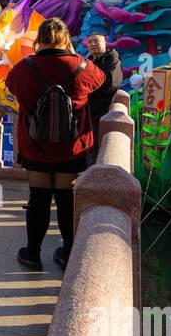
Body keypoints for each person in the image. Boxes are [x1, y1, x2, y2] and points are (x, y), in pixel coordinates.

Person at [6, 18, 105, 271]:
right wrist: (74, 55)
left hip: (35, 143)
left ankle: (33, 254)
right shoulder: (80, 65)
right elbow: (101, 79)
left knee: (38, 198)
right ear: (66, 39)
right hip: (70, 146)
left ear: (39, 40)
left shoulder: (25, 68)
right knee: (65, 198)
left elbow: (10, 86)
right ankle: (68, 251)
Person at [84, 33, 124, 165]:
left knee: (96, 148)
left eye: (96, 41)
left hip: (101, 110)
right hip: (87, 111)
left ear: (105, 43)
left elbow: (111, 83)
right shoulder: (88, 61)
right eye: (90, 42)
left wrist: (88, 89)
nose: (93, 44)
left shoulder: (112, 60)